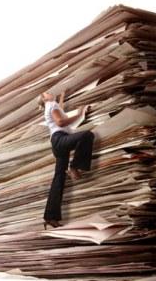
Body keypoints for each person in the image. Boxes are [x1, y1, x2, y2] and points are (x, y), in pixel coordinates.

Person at [37, 91, 95, 229]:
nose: (50, 92)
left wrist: (62, 97)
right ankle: (74, 166)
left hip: (57, 143)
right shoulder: (51, 104)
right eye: (47, 93)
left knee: (59, 179)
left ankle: (50, 217)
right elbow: (61, 121)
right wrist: (79, 114)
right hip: (60, 139)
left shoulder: (52, 106)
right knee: (87, 135)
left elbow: (60, 111)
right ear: (44, 98)